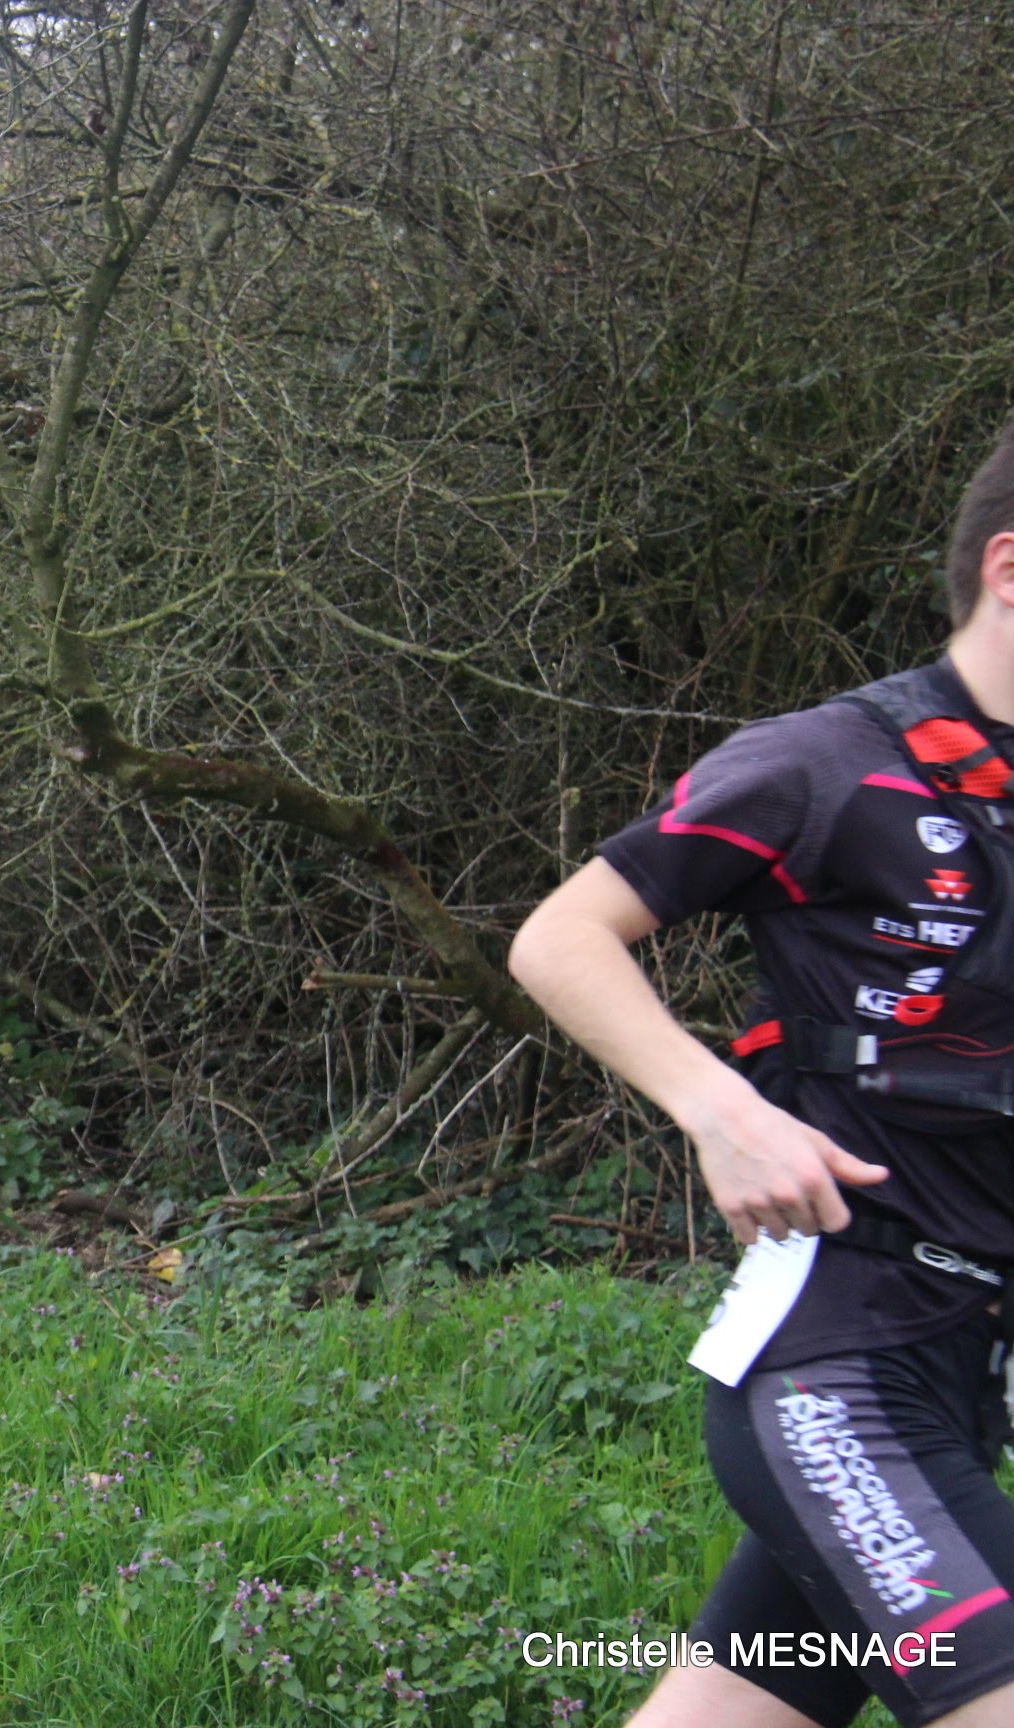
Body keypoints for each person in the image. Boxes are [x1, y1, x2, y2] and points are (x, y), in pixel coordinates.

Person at [509, 434, 1014, 1726]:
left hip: (965, 1372)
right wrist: (722, 1112)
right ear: (1009, 570)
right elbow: (561, 937)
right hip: (837, 1374)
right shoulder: (829, 763)